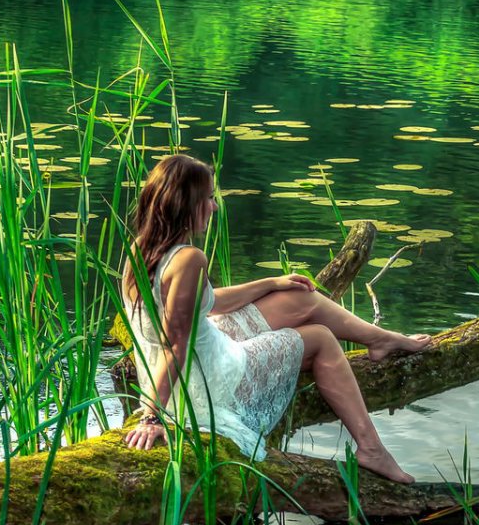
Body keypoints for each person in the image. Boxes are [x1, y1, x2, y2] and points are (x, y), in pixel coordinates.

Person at [120, 152, 428, 483]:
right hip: (208, 384)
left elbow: (199, 307)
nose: (214, 206)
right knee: (322, 338)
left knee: (298, 296)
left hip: (200, 360)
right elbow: (175, 344)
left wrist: (271, 283)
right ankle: (372, 450)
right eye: (208, 198)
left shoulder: (140, 250)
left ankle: (379, 339)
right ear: (187, 202)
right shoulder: (190, 258)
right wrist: (151, 416)